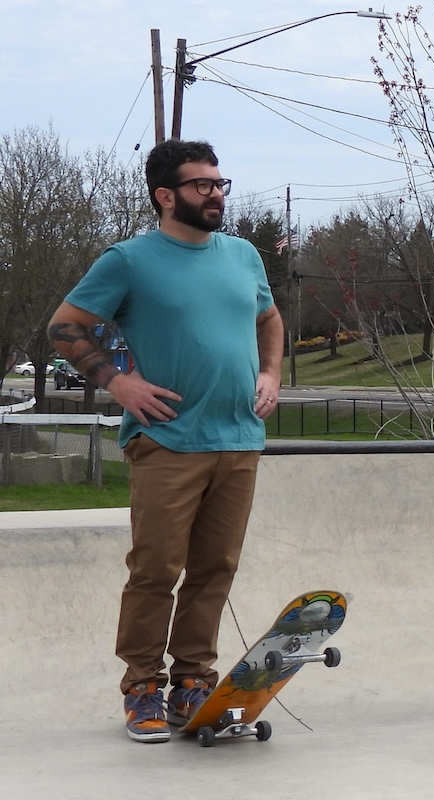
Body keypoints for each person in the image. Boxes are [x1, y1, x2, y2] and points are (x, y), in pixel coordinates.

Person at [45, 139, 282, 743]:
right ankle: (142, 687)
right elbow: (66, 325)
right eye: (203, 184)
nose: (216, 193)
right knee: (156, 569)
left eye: (220, 183)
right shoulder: (129, 260)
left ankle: (194, 681)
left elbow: (268, 318)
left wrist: (270, 373)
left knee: (215, 568)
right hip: (169, 441)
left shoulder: (243, 255)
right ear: (166, 195)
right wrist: (118, 382)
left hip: (238, 438)